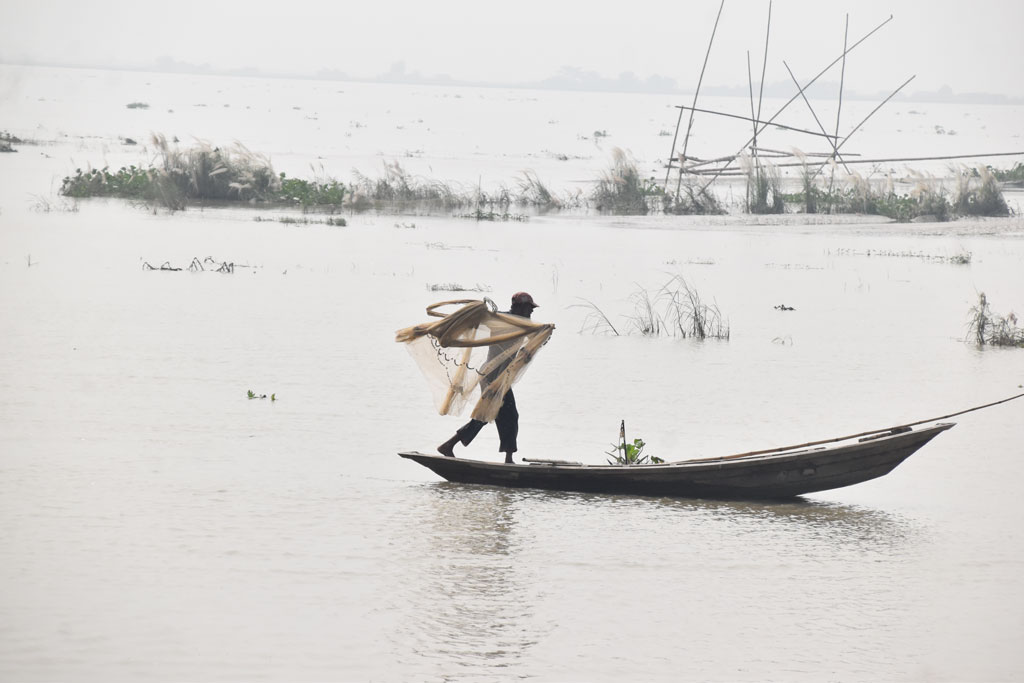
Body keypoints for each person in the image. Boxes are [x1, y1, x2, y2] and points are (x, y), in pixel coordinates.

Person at [437, 291, 539, 463]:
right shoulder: (500, 321)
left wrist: (545, 330)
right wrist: (482, 317)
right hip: (492, 376)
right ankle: (506, 458)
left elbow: (533, 336)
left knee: (492, 415)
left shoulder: (524, 324)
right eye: (529, 308)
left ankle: (450, 445)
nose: (531, 312)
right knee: (502, 415)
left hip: (502, 377)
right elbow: (479, 330)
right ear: (518, 308)